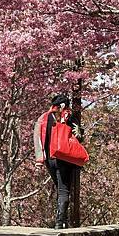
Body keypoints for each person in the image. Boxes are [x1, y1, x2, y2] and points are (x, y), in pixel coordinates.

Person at [34, 94, 80, 229]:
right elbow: (78, 138)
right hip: (64, 159)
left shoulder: (43, 118)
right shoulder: (69, 117)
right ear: (65, 105)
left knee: (60, 189)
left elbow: (38, 139)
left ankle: (62, 220)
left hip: (49, 159)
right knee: (64, 190)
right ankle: (60, 222)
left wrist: (39, 160)